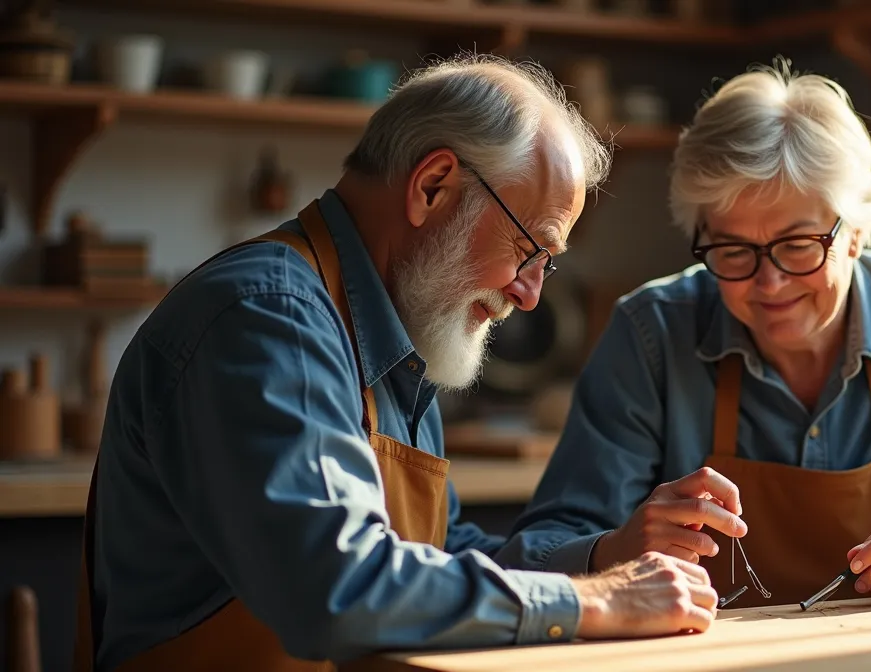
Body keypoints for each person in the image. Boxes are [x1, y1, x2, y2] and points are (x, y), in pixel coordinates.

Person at [75, 54, 720, 672]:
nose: (530, 294)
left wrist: (608, 558)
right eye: (531, 249)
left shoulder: (387, 334)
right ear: (433, 187)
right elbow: (338, 588)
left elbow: (439, 559)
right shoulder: (269, 317)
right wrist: (601, 601)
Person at [499, 61, 871, 609]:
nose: (769, 282)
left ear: (857, 233)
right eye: (733, 250)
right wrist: (615, 549)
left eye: (797, 245)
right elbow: (533, 552)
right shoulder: (651, 333)